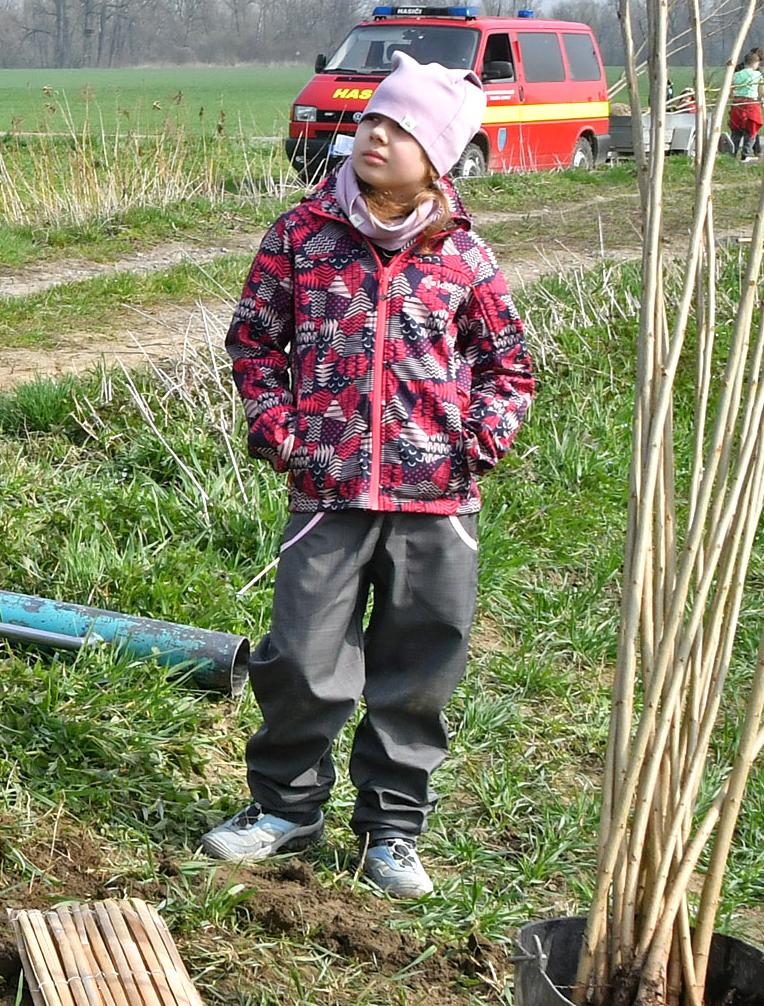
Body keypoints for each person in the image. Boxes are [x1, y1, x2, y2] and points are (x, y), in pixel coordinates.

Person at [203, 57, 534, 901]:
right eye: (373, 121)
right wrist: (282, 433)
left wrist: (476, 443)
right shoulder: (302, 235)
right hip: (328, 492)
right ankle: (286, 808)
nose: (376, 136)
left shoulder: (463, 256)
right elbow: (253, 342)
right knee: (301, 657)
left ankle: (392, 830)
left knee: (419, 670)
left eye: (402, 129)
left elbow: (509, 367)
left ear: (438, 158)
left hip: (437, 502)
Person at [726, 47, 764, 160]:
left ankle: (732, 153)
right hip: (751, 104)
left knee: (736, 131)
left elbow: (730, 89)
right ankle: (745, 155)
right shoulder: (757, 75)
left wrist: (732, 98)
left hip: (737, 104)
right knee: (751, 132)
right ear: (755, 63)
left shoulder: (736, 74)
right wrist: (760, 99)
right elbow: (761, 89)